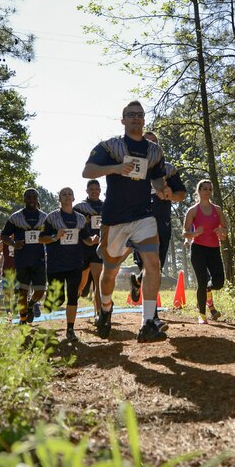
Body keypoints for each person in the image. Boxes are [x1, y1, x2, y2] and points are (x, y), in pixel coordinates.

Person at [82, 100, 172, 343]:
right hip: (115, 219)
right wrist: (116, 168)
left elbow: (156, 180)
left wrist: (163, 190)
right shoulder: (111, 146)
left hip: (143, 215)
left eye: (140, 115)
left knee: (152, 264)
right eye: (131, 115)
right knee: (109, 272)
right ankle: (106, 310)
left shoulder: (154, 150)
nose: (136, 118)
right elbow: (88, 171)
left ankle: (147, 323)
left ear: (144, 120)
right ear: (123, 120)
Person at [130, 131, 187, 326]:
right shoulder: (133, 166)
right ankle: (152, 317)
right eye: (146, 142)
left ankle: (137, 282)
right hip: (139, 222)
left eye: (154, 143)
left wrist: (171, 194)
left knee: (156, 267)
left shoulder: (168, 169)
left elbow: (182, 194)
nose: (150, 146)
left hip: (161, 222)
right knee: (148, 267)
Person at [41, 187, 96, 342]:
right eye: (63, 194)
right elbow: (41, 238)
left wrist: (92, 240)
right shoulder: (52, 217)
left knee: (73, 297)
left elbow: (85, 238)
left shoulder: (80, 218)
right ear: (59, 199)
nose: (67, 196)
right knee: (58, 300)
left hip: (75, 264)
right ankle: (50, 298)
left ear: (73, 198)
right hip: (56, 265)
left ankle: (70, 330)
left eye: (69, 194)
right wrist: (54, 236)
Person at [0, 188, 48, 324]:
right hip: (22, 261)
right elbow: (3, 235)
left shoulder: (44, 217)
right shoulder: (16, 217)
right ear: (24, 199)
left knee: (40, 292)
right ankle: (23, 319)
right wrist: (14, 243)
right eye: (28, 197)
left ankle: (31, 305)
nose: (31, 199)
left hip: (39, 260)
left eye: (34, 197)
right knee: (22, 292)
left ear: (37, 199)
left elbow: (52, 234)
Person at [183, 179, 228, 324]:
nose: (207, 191)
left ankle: (208, 288)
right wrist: (194, 234)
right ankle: (202, 315)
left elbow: (225, 230)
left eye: (210, 189)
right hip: (198, 250)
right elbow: (184, 233)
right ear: (199, 191)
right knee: (201, 282)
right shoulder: (193, 210)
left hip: (214, 249)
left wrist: (222, 231)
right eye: (204, 189)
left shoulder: (218, 209)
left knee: (219, 282)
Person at [74, 179, 104, 317]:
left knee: (98, 282)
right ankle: (74, 302)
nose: (94, 191)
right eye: (91, 189)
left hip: (98, 248)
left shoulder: (106, 207)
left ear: (100, 190)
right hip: (82, 249)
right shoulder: (80, 207)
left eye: (96, 189)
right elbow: (71, 225)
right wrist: (82, 223)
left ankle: (99, 313)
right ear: (87, 191)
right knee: (81, 284)